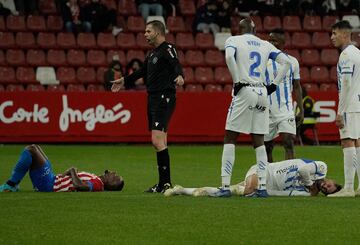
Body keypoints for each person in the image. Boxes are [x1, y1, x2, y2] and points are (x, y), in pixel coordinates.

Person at [212, 17, 291, 198]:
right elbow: (286, 63)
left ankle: (224, 186)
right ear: (255, 30)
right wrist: (274, 85)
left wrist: (237, 79)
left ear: (239, 29)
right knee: (259, 141)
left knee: (230, 137)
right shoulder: (265, 44)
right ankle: (262, 187)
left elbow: (229, 57)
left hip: (245, 89)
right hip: (262, 92)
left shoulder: (234, 40)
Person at [111, 20, 184, 193]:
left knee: (157, 140)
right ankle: (163, 184)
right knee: (161, 141)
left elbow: (176, 64)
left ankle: (164, 184)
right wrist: (124, 80)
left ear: (158, 32)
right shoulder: (152, 54)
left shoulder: (168, 48)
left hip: (164, 97)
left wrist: (180, 76)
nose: (145, 34)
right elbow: (142, 72)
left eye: (148, 31)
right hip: (153, 98)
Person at [164, 158, 342, 197]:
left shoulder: (307, 194)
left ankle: (182, 190)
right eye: (330, 184)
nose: (326, 185)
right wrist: (310, 185)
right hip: (263, 170)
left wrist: (264, 192)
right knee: (247, 189)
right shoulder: (321, 167)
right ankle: (244, 190)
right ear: (332, 180)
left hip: (265, 185)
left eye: (327, 189)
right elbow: (303, 170)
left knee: (231, 191)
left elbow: (279, 195)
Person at [0, 145, 124, 192]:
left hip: (49, 184)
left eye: (115, 176)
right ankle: (13, 184)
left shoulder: (98, 184)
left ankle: (11, 184)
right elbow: (73, 181)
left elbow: (81, 187)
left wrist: (73, 171)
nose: (112, 172)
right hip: (52, 179)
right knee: (35, 147)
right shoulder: (97, 179)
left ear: (112, 185)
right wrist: (69, 173)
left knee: (31, 150)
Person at [328, 20, 360, 197]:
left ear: (345, 34)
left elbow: (346, 84)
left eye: (335, 33)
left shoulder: (346, 55)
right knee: (357, 143)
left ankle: (348, 187)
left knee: (347, 141)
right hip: (359, 103)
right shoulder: (358, 53)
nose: (332, 37)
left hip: (349, 105)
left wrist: (340, 112)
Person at [264, 28, 304, 163]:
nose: (271, 43)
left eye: (274, 40)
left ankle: (290, 178)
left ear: (283, 42)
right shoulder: (262, 61)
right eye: (269, 40)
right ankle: (269, 180)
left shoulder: (292, 61)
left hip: (285, 110)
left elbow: (297, 87)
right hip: (266, 110)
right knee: (267, 147)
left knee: (288, 142)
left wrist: (301, 109)